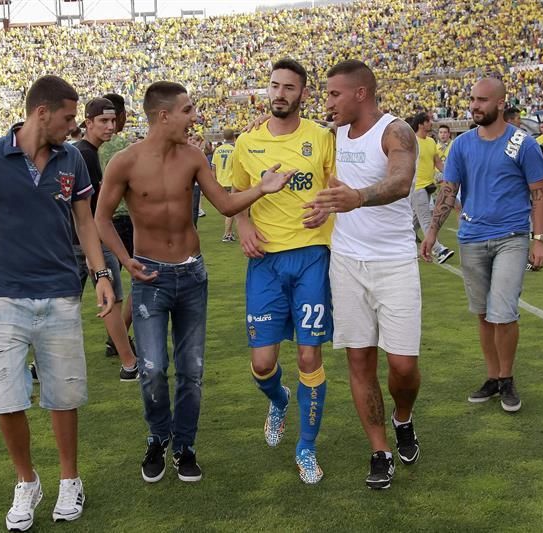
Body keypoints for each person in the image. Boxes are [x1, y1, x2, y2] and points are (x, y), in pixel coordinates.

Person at [94, 80, 292, 485]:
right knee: (151, 369)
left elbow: (224, 203)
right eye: (187, 110)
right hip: (149, 276)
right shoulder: (125, 162)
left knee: (191, 369)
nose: (194, 117)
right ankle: (156, 437)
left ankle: (185, 446)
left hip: (192, 274)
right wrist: (126, 261)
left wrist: (260, 188)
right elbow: (100, 217)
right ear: (163, 115)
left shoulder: (194, 156)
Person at [0, 76, 115, 530]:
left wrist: (100, 273)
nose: (72, 127)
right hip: (4, 297)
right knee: (6, 398)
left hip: (62, 294)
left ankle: (70, 479)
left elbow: (85, 222)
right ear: (41, 112)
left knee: (63, 396)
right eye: (68, 118)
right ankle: (26, 482)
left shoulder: (72, 161)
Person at [306, 60, 423, 490]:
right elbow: (329, 182)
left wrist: (358, 197)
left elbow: (400, 181)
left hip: (394, 262)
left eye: (335, 94)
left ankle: (403, 418)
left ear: (360, 93)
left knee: (404, 366)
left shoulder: (396, 131)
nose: (328, 102)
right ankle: (380, 450)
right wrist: (324, 204)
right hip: (347, 262)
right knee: (359, 359)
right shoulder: (331, 137)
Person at [231, 59, 335, 485]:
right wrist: (243, 224)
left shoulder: (321, 137)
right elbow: (236, 194)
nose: (280, 94)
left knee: (309, 354)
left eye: (289, 88)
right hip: (265, 262)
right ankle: (278, 399)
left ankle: (306, 448)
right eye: (274, 86)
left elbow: (339, 186)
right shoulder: (246, 142)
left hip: (311, 255)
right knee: (262, 363)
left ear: (303, 94)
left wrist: (325, 205)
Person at [421, 77, 543, 414]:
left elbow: (539, 194)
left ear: (500, 103)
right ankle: (492, 377)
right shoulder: (462, 145)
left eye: (481, 100)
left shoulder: (523, 143)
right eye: (472, 99)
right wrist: (432, 233)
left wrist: (539, 240)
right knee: (482, 313)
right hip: (472, 238)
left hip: (512, 237)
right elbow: (449, 189)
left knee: (503, 311)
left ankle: (507, 378)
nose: (474, 106)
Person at [72, 97, 138, 381]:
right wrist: (90, 249)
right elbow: (83, 208)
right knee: (110, 298)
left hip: (86, 239)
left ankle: (128, 361)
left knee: (97, 299)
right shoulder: (84, 154)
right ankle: (129, 363)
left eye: (113, 120)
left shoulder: (87, 152)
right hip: (87, 240)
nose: (111, 127)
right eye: (103, 121)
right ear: (88, 123)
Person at [99, 93, 137, 358]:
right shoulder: (124, 147)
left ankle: (117, 338)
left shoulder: (84, 149)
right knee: (140, 278)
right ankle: (119, 337)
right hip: (124, 219)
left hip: (97, 223)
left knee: (106, 284)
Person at [411, 112, 454, 263]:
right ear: (421, 124)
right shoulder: (412, 141)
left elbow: (438, 163)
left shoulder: (430, 142)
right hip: (417, 187)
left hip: (429, 186)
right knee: (426, 219)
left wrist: (451, 175)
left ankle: (402, 247)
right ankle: (438, 250)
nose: (431, 123)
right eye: (428, 121)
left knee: (413, 223)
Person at [212, 129, 236, 242]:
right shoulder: (235, 150)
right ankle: (227, 234)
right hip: (231, 182)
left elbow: (213, 168)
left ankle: (229, 231)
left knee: (227, 209)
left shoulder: (218, 150)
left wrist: (214, 181)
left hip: (220, 182)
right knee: (231, 210)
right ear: (234, 137)